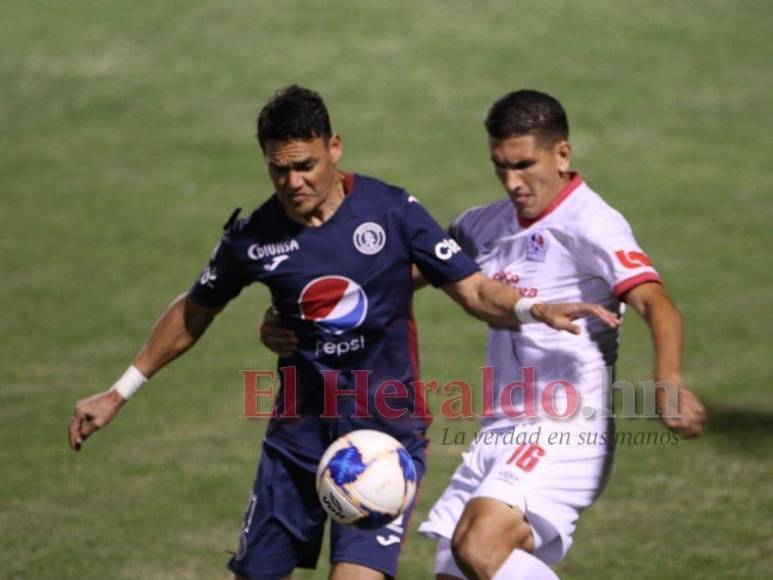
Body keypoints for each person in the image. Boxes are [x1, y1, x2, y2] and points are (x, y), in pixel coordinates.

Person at [68, 85, 617, 580]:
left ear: (334, 146)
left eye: (304, 165)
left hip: (381, 442)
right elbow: (195, 310)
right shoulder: (254, 237)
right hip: (295, 443)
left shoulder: (392, 210)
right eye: (278, 170)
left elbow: (473, 289)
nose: (293, 182)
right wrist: (120, 391)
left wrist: (530, 308)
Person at [260, 89, 707, 579]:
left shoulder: (592, 224)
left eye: (524, 165)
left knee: (480, 544)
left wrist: (668, 380)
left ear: (562, 153)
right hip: (501, 429)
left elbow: (657, 303)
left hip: (568, 425)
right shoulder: (481, 225)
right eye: (501, 167)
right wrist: (293, 316)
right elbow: (380, 281)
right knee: (458, 568)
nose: (513, 182)